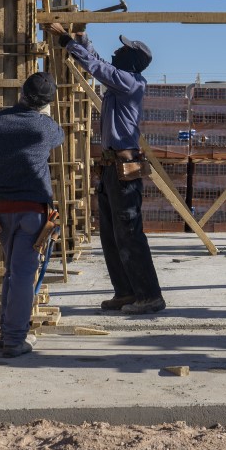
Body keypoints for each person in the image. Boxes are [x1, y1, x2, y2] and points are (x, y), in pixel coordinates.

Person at [48, 24, 165, 315]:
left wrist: (65, 41)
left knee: (129, 231)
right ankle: (126, 292)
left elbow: (97, 67)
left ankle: (150, 295)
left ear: (132, 60)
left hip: (125, 168)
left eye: (123, 49)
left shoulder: (130, 82)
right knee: (111, 234)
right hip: (113, 168)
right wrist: (80, 38)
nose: (117, 51)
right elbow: (97, 59)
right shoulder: (120, 81)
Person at [0, 71, 64, 357]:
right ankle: (15, 339)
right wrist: (45, 115)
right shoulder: (44, 127)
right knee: (21, 276)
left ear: (21, 92)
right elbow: (60, 137)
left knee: (11, 273)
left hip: (2, 212)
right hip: (33, 212)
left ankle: (9, 335)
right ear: (45, 103)